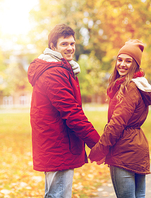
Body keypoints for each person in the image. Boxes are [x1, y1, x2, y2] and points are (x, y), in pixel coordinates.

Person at [27, 23, 100, 198]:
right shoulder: (54, 73)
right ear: (53, 46)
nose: (70, 48)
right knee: (58, 195)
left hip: (58, 143)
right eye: (64, 44)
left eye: (72, 43)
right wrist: (97, 144)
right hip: (57, 145)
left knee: (56, 193)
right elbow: (72, 113)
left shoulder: (64, 69)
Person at [89, 39, 151, 198]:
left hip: (124, 151)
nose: (122, 64)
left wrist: (99, 150)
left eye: (128, 61)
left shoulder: (130, 88)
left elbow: (116, 124)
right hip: (137, 149)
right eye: (120, 59)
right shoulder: (140, 85)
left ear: (136, 65)